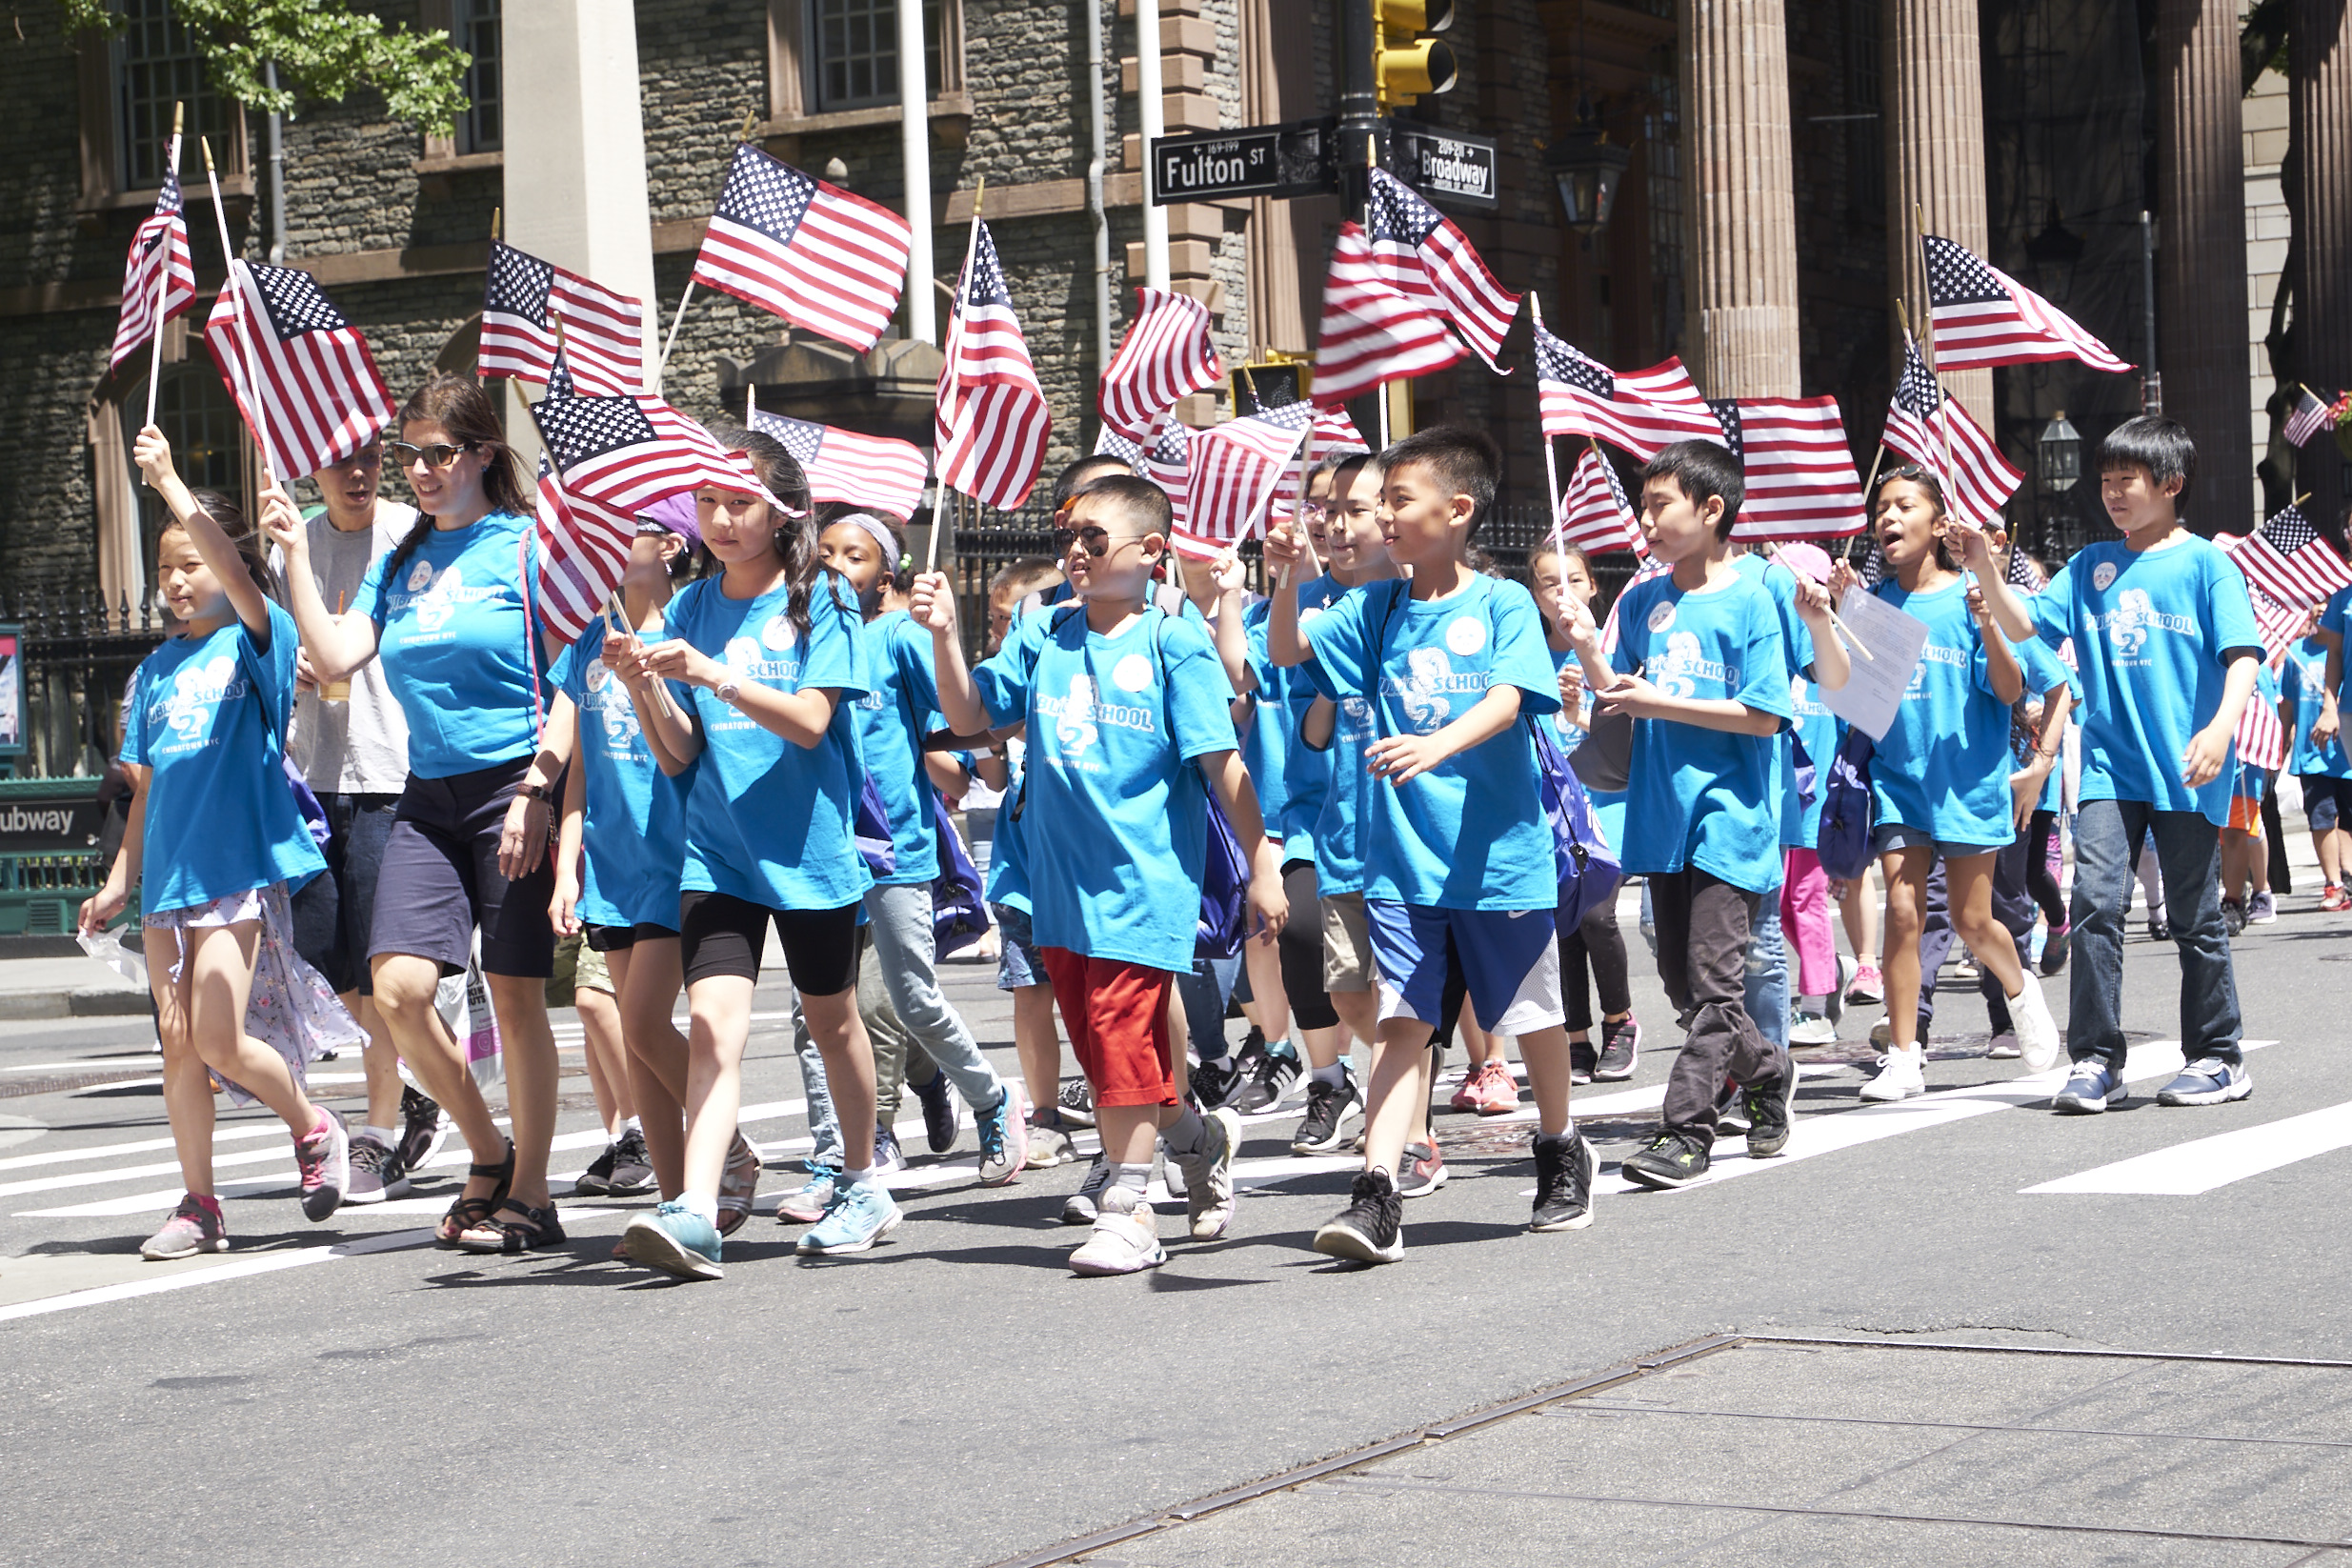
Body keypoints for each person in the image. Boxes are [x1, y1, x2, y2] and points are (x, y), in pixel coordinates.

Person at [915, 472, 1281, 1277]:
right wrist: (944, 635)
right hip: (1056, 882)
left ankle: (1128, 1206)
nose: (1075, 551)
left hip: (1144, 881)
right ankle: (1197, 1137)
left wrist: (1263, 863)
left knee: (1119, 1036)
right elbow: (973, 717)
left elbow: (1221, 763)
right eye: (1067, 537)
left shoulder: (1169, 642)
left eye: (1094, 538)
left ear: (1152, 553)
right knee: (1106, 1050)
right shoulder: (1045, 631)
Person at [1271, 426, 1593, 1261]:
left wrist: (1434, 745)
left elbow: (1512, 696)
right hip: (1403, 862)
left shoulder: (1499, 602)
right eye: (1379, 501)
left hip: (1498, 856)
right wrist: (1286, 575)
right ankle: (1376, 1193)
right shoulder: (1373, 606)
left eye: (1396, 500)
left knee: (1532, 1017)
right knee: (1402, 1021)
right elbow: (1284, 651)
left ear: (1455, 511)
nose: (1380, 515)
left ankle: (1560, 1149)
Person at [269, 373, 572, 1253]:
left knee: (515, 1001)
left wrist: (538, 792)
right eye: (412, 455)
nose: (421, 470)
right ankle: (486, 1147)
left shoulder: (524, 546)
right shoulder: (401, 560)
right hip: (427, 794)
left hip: (512, 786)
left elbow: (572, 681)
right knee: (397, 990)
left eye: (439, 454)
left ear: (481, 455)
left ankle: (533, 1192)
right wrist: (292, 550)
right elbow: (332, 653)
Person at [603, 428, 894, 1278]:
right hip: (716, 856)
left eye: (740, 503)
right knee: (712, 1032)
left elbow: (810, 721)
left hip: (807, 854)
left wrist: (713, 674)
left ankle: (863, 1181)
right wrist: (644, 685)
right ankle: (696, 1208)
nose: (722, 520)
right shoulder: (690, 605)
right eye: (708, 503)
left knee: (834, 1023)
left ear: (781, 510)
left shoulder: (824, 599)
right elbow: (678, 755)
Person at [87, 430, 356, 1258]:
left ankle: (313, 1128)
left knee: (215, 1036)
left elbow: (241, 578)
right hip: (167, 883)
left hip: (235, 870)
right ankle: (199, 1203)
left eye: (188, 563)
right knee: (179, 1048)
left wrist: (169, 480)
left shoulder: (256, 636)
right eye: (164, 567)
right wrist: (118, 883)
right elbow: (148, 794)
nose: (173, 581)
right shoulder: (153, 674)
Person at [1558, 440, 1843, 1188]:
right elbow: (1617, 702)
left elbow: (1761, 715)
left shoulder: (1755, 593)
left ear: (1710, 509)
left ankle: (1685, 1132)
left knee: (1714, 988)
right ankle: (1768, 1068)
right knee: (1688, 992)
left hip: (1732, 820)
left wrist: (1659, 702)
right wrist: (1590, 651)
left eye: (1659, 505)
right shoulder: (1645, 599)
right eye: (1642, 505)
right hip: (1660, 818)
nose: (1643, 520)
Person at [1973, 414, 2262, 1113]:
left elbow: (2243, 657)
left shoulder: (2205, 563)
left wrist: (2220, 730)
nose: (2111, 494)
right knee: (2094, 904)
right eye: (2103, 482)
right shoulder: (2091, 565)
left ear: (2170, 484)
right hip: (2106, 767)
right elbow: (2024, 625)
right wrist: (1983, 567)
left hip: (2187, 766)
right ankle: (2096, 1060)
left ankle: (2218, 1057)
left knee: (2194, 917)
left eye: (2124, 481)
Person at [806, 510, 1029, 1180]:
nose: (837, 566)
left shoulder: (899, 637)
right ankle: (839, 1152)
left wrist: (978, 734)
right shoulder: (802, 639)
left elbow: (961, 719)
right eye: (825, 553)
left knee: (908, 999)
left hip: (895, 849)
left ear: (887, 575)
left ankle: (991, 1099)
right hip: (818, 850)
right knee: (811, 1011)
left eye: (855, 555)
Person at [1828, 469, 2060, 1101]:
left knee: (1970, 919)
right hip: (1899, 784)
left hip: (1967, 785)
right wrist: (1836, 616)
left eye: (1904, 505)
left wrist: (1985, 623)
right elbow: (1847, 698)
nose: (1888, 517)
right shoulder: (1871, 603)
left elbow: (2015, 690)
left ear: (1937, 524)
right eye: (1880, 508)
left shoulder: (1968, 597)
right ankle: (1904, 1056)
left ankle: (2018, 987)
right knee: (1904, 913)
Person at [274, 435, 444, 1204]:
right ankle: (411, 1090)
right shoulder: (293, 545)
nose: (358, 473)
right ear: (315, 468)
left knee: (381, 972)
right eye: (341, 460)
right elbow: (267, 643)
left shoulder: (411, 534)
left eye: (371, 458)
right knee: (322, 961)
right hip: (313, 777)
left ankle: (376, 1133)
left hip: (390, 774)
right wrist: (292, 665)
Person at [1279, 453, 1398, 1156]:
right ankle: (1379, 1086)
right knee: (1351, 990)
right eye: (1329, 510)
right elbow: (1290, 661)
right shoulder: (1339, 609)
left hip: (1416, 828)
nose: (1336, 524)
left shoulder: (1448, 600)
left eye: (1355, 508)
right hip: (1337, 824)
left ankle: (1403, 1126)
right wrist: (1287, 577)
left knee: (1415, 996)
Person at [1530, 543, 1642, 1082]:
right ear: (1535, 594)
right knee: (1562, 923)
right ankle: (1575, 1036)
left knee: (1596, 915)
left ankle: (1619, 1020)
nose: (1563, 593)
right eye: (1549, 583)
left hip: (1603, 804)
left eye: (1573, 580)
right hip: (1547, 808)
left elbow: (1620, 738)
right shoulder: (1524, 654)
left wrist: (1577, 714)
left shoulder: (1613, 647)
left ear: (1593, 586)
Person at [2281, 610, 2350, 908]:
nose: (2321, 608)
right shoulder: (2296, 652)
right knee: (2321, 818)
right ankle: (2333, 883)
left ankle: (2348, 875)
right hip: (2312, 754)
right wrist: (2280, 742)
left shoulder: (2343, 649)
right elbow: (2288, 703)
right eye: (2316, 603)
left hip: (2344, 753)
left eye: (2326, 602)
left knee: (2347, 820)